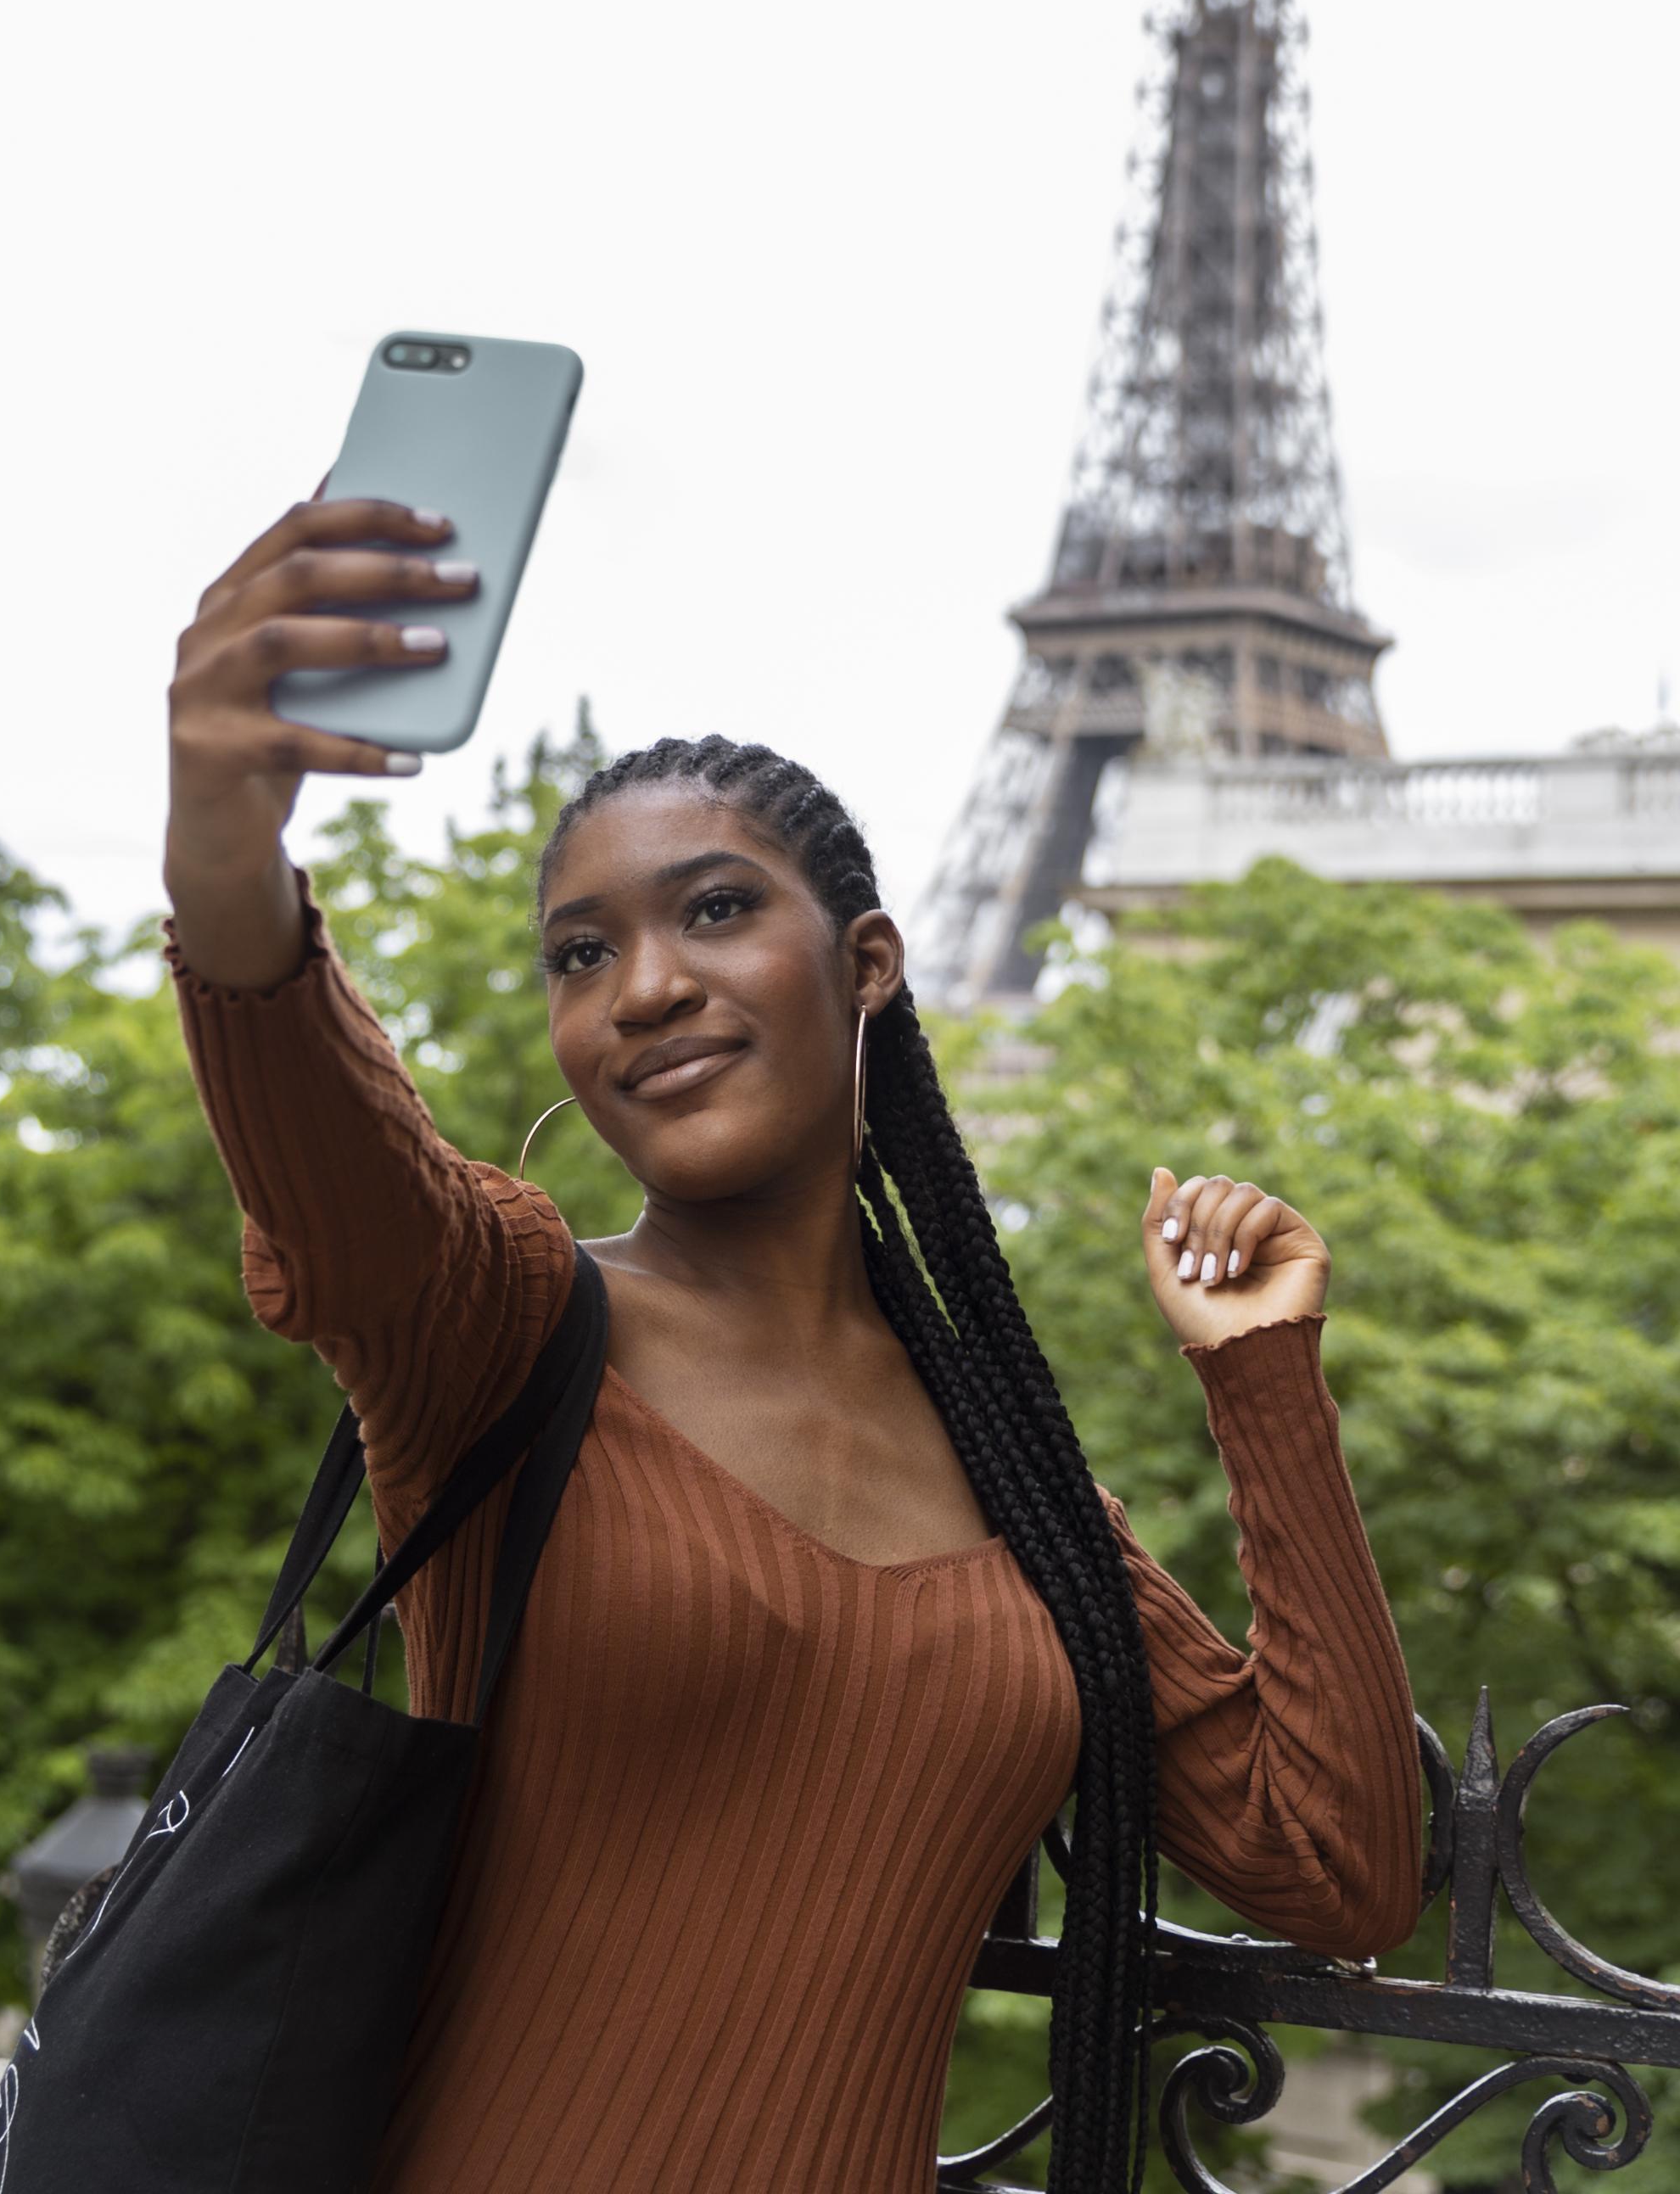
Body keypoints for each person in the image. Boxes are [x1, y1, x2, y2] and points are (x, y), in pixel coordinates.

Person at [164, 491, 1424, 2194]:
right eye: (580, 953)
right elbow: (331, 1166)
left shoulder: (1028, 1497)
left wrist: (1261, 1383)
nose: (643, 987)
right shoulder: (503, 1323)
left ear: (869, 964)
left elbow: (1336, 1867)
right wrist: (226, 853)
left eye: (710, 911)